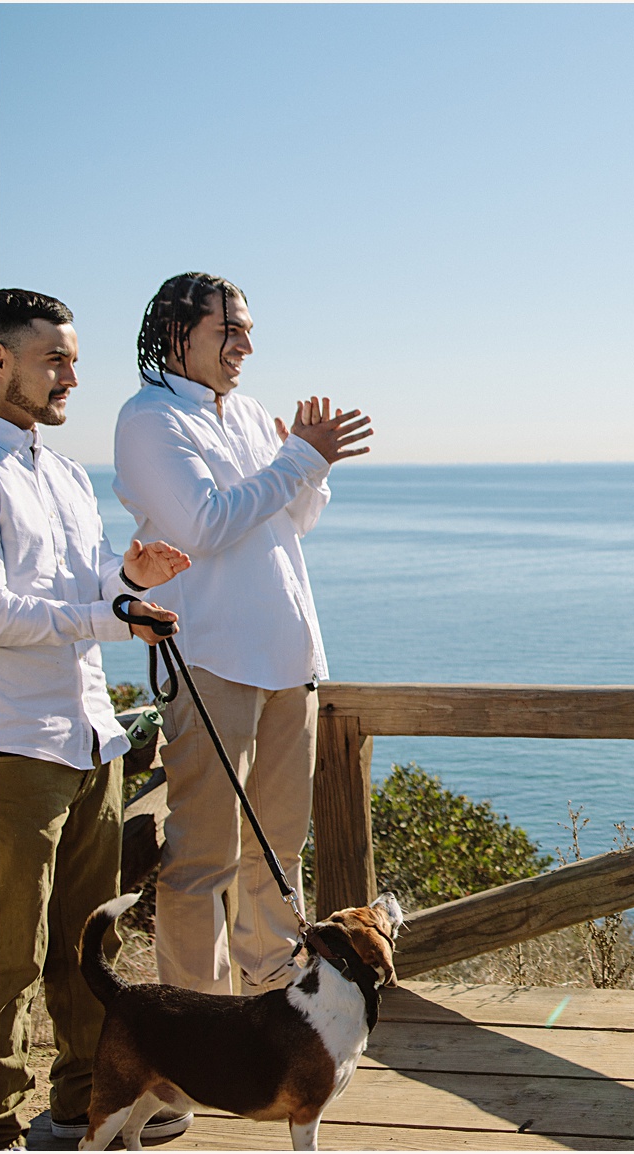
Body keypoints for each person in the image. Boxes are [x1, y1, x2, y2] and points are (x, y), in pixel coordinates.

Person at [112, 273, 374, 994]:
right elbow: (203, 524)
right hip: (213, 660)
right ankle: (194, 1037)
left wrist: (311, 471)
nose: (247, 346)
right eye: (231, 331)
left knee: (278, 852)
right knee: (203, 859)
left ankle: (271, 1010)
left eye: (247, 331)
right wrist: (298, 461)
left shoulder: (252, 415)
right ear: (177, 334)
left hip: (291, 659)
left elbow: (294, 521)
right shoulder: (149, 420)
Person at [0, 288, 191, 1147]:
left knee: (83, 950)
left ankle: (82, 1109)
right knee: (13, 953)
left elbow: (83, 581)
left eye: (72, 358)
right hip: (16, 743)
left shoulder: (64, 472)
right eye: (54, 359)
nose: (72, 375)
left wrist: (132, 577)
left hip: (90, 734)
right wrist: (114, 613)